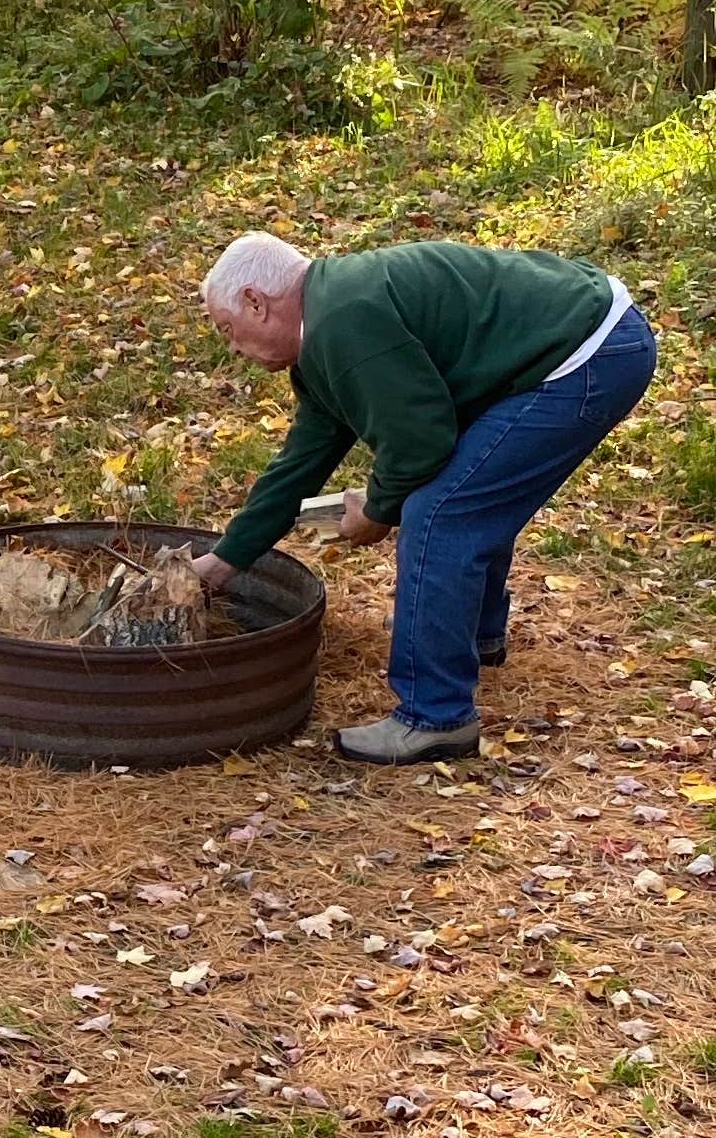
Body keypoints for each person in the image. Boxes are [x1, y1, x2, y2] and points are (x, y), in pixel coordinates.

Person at [194, 230, 655, 764]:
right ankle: (473, 635)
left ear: (257, 300)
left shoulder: (345, 322)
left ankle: (434, 717)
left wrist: (376, 509)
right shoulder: (327, 326)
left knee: (439, 512)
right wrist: (227, 560)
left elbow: (422, 442)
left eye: (228, 328)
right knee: (466, 492)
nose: (231, 346)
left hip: (585, 353)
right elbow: (301, 462)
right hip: (583, 333)